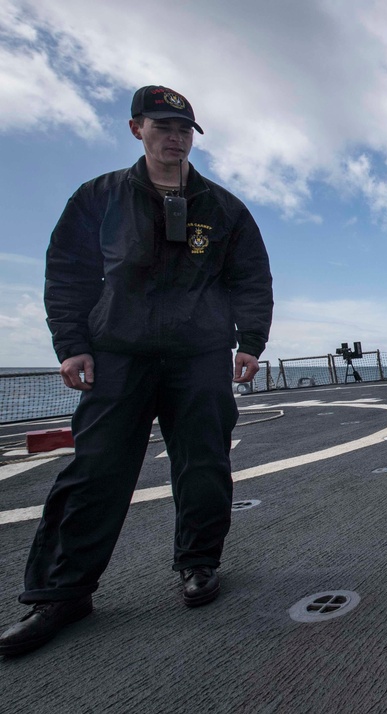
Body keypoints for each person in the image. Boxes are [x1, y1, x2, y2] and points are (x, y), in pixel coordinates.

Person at [0, 85, 273, 657]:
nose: (174, 138)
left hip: (199, 356)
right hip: (118, 352)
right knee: (96, 468)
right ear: (136, 129)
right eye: (162, 127)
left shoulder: (223, 208)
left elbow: (250, 276)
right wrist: (71, 345)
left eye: (183, 131)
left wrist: (250, 341)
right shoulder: (97, 198)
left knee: (203, 462)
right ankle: (61, 591)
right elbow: (68, 272)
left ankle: (199, 564)